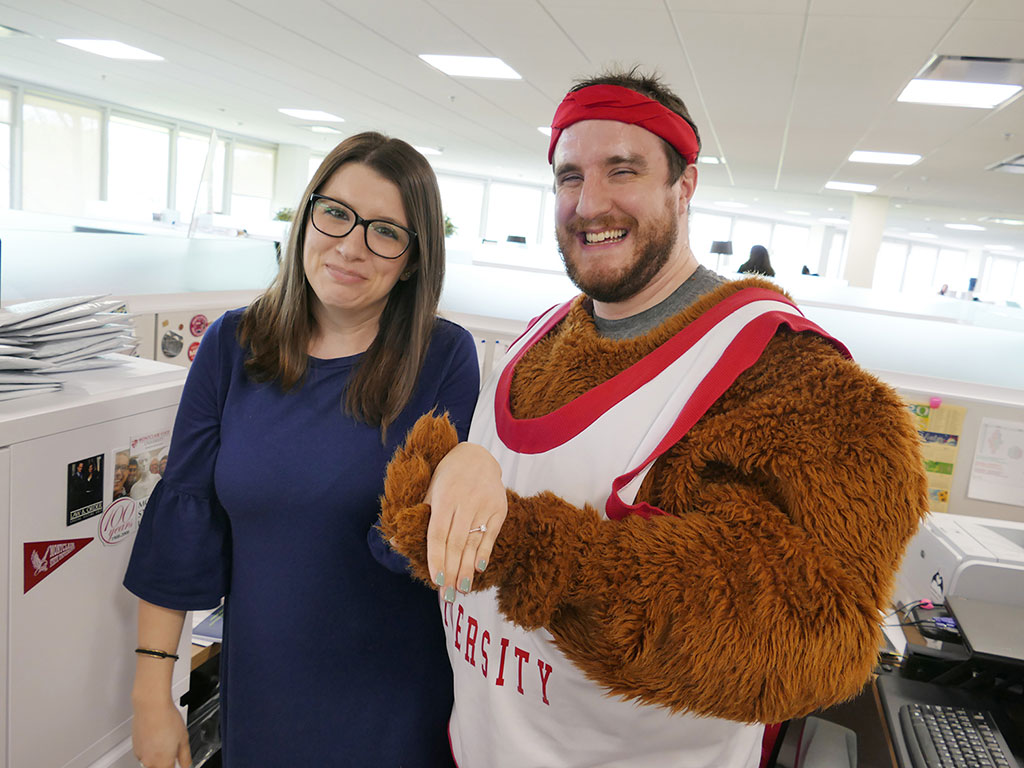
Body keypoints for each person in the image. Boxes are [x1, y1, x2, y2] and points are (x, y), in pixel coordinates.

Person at [379, 69, 927, 768]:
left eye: (623, 170)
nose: (589, 204)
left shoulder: (784, 375)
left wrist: (529, 545)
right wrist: (458, 463)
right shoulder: (538, 336)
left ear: (684, 185)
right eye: (570, 177)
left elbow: (813, 635)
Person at [124, 132, 479, 768]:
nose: (351, 246)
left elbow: (427, 537)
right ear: (306, 216)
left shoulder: (444, 357)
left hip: (393, 700)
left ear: (413, 259)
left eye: (386, 231)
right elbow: (185, 514)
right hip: (263, 692)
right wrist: (153, 691)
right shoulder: (235, 343)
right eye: (336, 213)